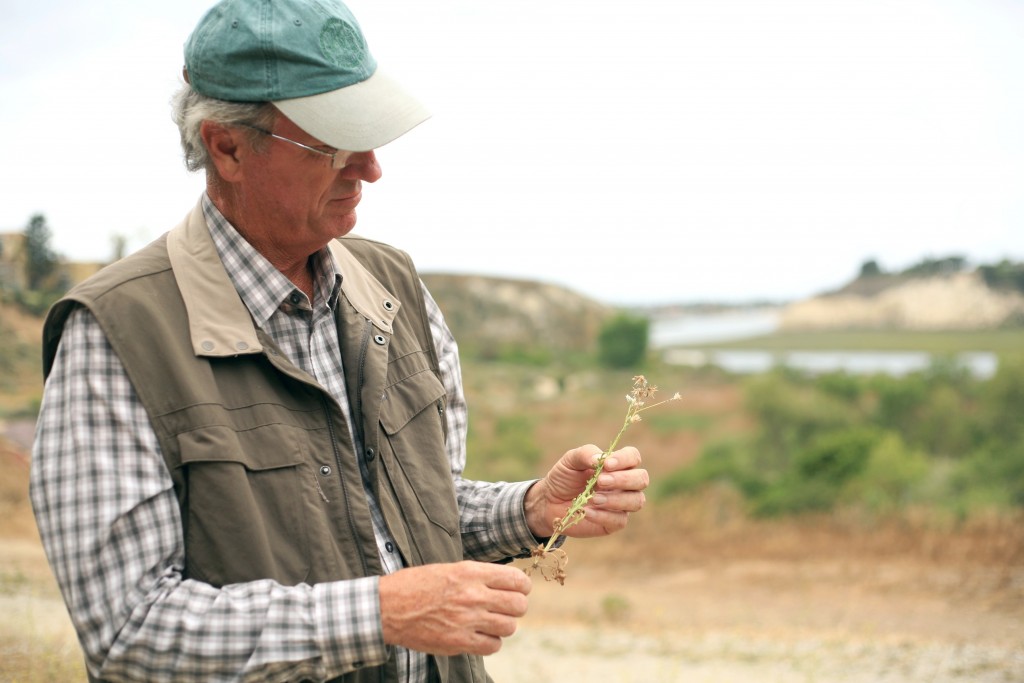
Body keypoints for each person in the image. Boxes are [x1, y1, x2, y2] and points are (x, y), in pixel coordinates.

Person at [29, 0, 649, 681]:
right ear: (226, 147)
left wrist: (529, 508)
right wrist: (380, 612)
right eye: (332, 142)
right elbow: (129, 631)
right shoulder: (115, 334)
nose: (371, 167)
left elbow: (409, 520)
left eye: (371, 134)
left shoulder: (395, 287)